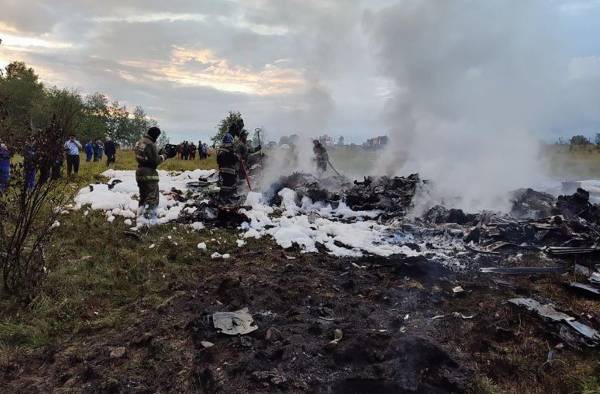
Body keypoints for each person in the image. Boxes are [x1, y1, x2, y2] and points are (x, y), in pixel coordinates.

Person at [134, 126, 175, 224]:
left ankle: (139, 216)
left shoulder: (140, 142)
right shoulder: (151, 144)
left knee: (143, 196)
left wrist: (158, 153)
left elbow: (145, 156)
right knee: (152, 197)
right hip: (149, 173)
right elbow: (155, 161)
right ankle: (147, 220)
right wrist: (165, 155)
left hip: (139, 171)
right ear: (156, 135)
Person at [217, 132, 239, 202]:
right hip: (230, 171)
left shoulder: (220, 151)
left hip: (222, 171)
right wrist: (237, 157)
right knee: (230, 184)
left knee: (225, 184)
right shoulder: (230, 150)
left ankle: (222, 197)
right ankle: (228, 198)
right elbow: (234, 159)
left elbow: (218, 161)